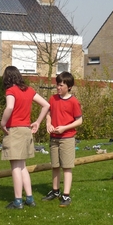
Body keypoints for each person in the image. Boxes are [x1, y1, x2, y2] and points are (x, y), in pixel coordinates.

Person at [0, 66, 50, 209]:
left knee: (15, 166)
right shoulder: (28, 90)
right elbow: (46, 105)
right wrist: (38, 122)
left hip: (14, 130)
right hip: (26, 130)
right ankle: (29, 198)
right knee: (22, 166)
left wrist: (2, 123)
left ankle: (17, 201)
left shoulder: (11, 91)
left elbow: (9, 107)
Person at [42, 71, 83, 207]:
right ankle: (55, 191)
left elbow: (79, 120)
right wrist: (48, 123)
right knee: (55, 166)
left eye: (61, 85)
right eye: (57, 85)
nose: (58, 88)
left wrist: (64, 128)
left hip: (67, 138)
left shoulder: (74, 102)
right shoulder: (53, 99)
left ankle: (66, 196)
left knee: (66, 167)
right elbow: (48, 113)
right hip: (54, 138)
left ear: (69, 86)